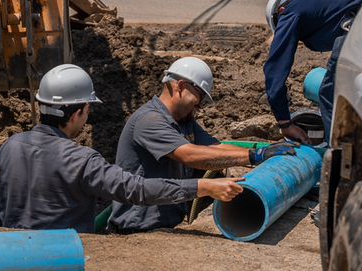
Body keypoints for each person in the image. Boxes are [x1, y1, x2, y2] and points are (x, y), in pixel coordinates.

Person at [0, 63, 245, 233]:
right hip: (63, 261)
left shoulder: (9, 147)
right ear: (78, 112)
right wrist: (203, 187)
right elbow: (138, 190)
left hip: (14, 254)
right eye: (88, 109)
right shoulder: (82, 160)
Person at [109, 58, 298, 234]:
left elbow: (215, 147)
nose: (198, 106)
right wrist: (254, 155)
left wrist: (263, 153)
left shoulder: (183, 120)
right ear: (181, 87)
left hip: (164, 224)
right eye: (198, 98)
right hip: (136, 227)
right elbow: (190, 156)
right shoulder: (150, 121)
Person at [264, 0, 362, 141]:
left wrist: (285, 124)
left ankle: (341, 159)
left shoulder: (291, 11)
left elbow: (275, 71)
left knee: (333, 95)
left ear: (281, 10)